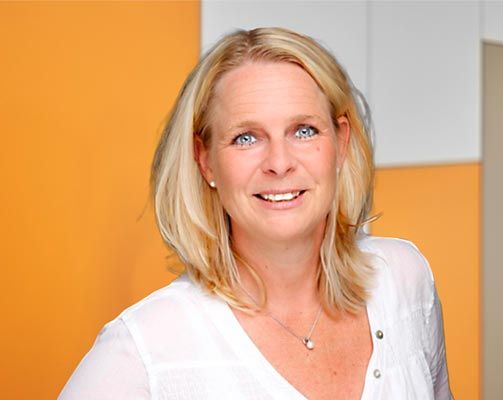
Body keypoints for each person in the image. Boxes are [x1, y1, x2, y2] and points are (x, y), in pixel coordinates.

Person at [60, 27, 452, 399]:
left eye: (304, 130)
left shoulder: (405, 280)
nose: (279, 163)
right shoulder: (145, 350)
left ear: (341, 142)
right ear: (205, 161)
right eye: (246, 138)